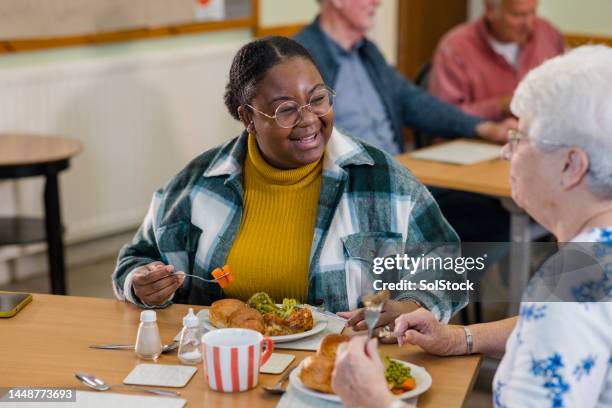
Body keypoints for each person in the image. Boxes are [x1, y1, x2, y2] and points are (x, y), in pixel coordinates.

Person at [111, 36, 466, 324]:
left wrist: (411, 305)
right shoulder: (195, 185)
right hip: (225, 371)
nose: (309, 119)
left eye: (317, 99)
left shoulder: (382, 181)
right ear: (248, 118)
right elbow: (137, 258)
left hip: (339, 371)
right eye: (285, 109)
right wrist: (140, 283)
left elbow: (448, 263)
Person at [332, 45, 612, 407]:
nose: (506, 153)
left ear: (571, 165)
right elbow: (560, 325)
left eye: (520, 138)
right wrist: (460, 337)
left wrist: (373, 399)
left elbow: (562, 318)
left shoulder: (569, 286)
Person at [294, 0, 514, 156]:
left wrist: (482, 128)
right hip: (349, 186)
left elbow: (413, 101)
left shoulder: (368, 52)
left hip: (396, 172)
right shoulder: (299, 59)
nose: (377, 2)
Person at [430, 0, 564, 121]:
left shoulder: (547, 33)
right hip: (478, 143)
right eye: (517, 15)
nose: (528, 24)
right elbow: (443, 116)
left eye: (532, 12)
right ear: (490, 10)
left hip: (542, 141)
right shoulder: (455, 48)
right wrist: (500, 106)